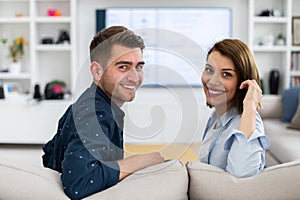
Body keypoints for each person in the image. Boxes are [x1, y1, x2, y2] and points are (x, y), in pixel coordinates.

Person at [42, 26, 164, 199]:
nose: (135, 77)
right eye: (123, 67)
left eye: (139, 67)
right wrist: (139, 161)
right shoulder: (95, 113)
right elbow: (79, 183)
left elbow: (50, 153)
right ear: (97, 71)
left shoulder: (92, 104)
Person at [199, 39, 270, 178]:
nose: (212, 81)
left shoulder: (248, 122)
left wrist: (250, 105)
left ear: (243, 81)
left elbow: (242, 177)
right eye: (209, 70)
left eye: (226, 74)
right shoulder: (215, 116)